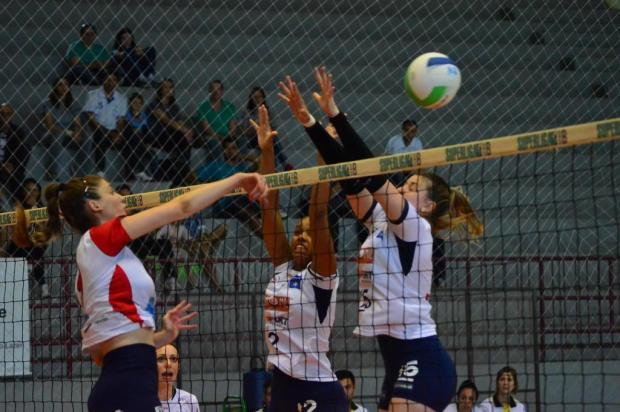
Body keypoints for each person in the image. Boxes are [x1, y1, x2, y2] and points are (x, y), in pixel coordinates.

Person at [278, 67, 483, 412]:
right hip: (397, 360)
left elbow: (371, 172)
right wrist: (309, 123)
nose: (402, 187)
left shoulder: (416, 227)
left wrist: (335, 115)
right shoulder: (381, 221)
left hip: (422, 358)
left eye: (412, 187)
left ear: (428, 206)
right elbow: (351, 177)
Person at [28, 170, 267, 411]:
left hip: (131, 381)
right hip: (127, 385)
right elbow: (182, 207)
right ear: (95, 205)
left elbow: (104, 353)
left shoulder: (99, 263)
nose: (121, 197)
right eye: (111, 192)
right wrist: (237, 180)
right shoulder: (99, 239)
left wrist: (163, 336)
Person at [252, 105, 348, 411]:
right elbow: (268, 206)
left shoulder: (322, 276)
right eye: (297, 231)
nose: (300, 236)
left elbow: (318, 214)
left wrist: (324, 152)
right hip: (281, 385)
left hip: (316, 388)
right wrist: (267, 152)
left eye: (308, 233)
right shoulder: (282, 267)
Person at [195, 138, 261, 237]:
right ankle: (267, 238)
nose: (230, 151)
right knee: (244, 208)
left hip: (243, 201)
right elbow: (194, 176)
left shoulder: (242, 169)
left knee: (252, 198)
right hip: (224, 206)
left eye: (234, 148)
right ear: (223, 150)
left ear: (238, 150)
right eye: (227, 148)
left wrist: (245, 157)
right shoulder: (216, 166)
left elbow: (258, 163)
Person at [5, 178, 50, 298]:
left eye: (35, 190)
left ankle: (43, 285)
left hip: (36, 245)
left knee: (38, 245)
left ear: (39, 193)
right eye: (29, 190)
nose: (32, 193)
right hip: (18, 245)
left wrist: (36, 214)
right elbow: (16, 231)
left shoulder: (42, 209)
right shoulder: (17, 208)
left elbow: (45, 231)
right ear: (23, 191)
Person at [146, 78, 194, 182]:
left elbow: (180, 122)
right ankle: (185, 170)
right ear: (160, 89)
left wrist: (187, 131)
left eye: (171, 87)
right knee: (182, 134)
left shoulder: (174, 107)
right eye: (165, 87)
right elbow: (165, 120)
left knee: (188, 135)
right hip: (156, 137)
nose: (168, 89)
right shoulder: (154, 104)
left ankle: (184, 168)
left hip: (171, 137)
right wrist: (184, 130)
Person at [83, 71, 128, 177]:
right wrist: (106, 132)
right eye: (108, 80)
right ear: (103, 81)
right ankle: (100, 171)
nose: (110, 82)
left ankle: (135, 171)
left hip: (113, 131)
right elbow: (90, 116)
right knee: (100, 134)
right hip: (97, 129)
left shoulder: (121, 98)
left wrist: (119, 134)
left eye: (113, 80)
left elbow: (121, 120)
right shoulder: (93, 95)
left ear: (117, 82)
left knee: (131, 135)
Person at [39, 77, 83, 182]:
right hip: (51, 134)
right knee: (59, 136)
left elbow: (78, 124)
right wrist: (67, 133)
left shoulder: (74, 104)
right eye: (60, 85)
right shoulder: (47, 104)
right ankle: (54, 172)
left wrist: (77, 133)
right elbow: (50, 125)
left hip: (70, 134)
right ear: (55, 88)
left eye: (66, 85)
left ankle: (81, 174)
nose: (63, 87)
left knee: (87, 139)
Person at [240, 86, 293, 171]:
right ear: (251, 98)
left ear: (263, 98)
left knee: (273, 138)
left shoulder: (269, 111)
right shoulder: (246, 112)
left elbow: (273, 127)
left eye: (260, 97)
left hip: (266, 137)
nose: (257, 99)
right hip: (252, 140)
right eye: (255, 97)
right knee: (272, 140)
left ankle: (282, 164)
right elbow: (244, 131)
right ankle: (285, 163)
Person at [196, 80, 238, 159]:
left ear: (222, 91)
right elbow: (207, 128)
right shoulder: (203, 107)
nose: (216, 92)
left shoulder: (230, 106)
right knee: (216, 144)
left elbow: (233, 127)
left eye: (218, 89)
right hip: (211, 137)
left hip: (228, 137)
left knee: (242, 143)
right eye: (213, 89)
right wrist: (219, 138)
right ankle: (220, 168)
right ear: (210, 90)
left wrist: (228, 138)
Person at [157, 344, 200, 411]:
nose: (168, 364)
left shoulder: (189, 400)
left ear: (178, 366)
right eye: (161, 359)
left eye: (173, 359)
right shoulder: (137, 400)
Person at [0, 103, 29, 201]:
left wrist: (13, 164)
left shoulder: (18, 132)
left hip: (11, 168)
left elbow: (24, 153)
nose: (5, 117)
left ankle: (17, 208)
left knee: (17, 178)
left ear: (12, 115)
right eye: (2, 114)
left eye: (8, 114)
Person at [123, 92, 153, 180]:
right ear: (130, 103)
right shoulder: (127, 114)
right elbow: (129, 128)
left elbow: (145, 130)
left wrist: (148, 142)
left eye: (139, 103)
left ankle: (155, 176)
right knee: (136, 141)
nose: (137, 105)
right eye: (135, 103)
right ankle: (140, 171)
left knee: (148, 148)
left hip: (141, 140)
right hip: (129, 139)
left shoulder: (144, 115)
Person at [384, 119, 422, 186]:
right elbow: (386, 157)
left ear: (416, 132)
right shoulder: (394, 141)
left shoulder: (418, 143)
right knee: (398, 175)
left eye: (412, 131)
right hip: (396, 169)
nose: (409, 134)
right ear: (402, 130)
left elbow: (419, 162)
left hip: (410, 170)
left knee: (417, 174)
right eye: (407, 130)